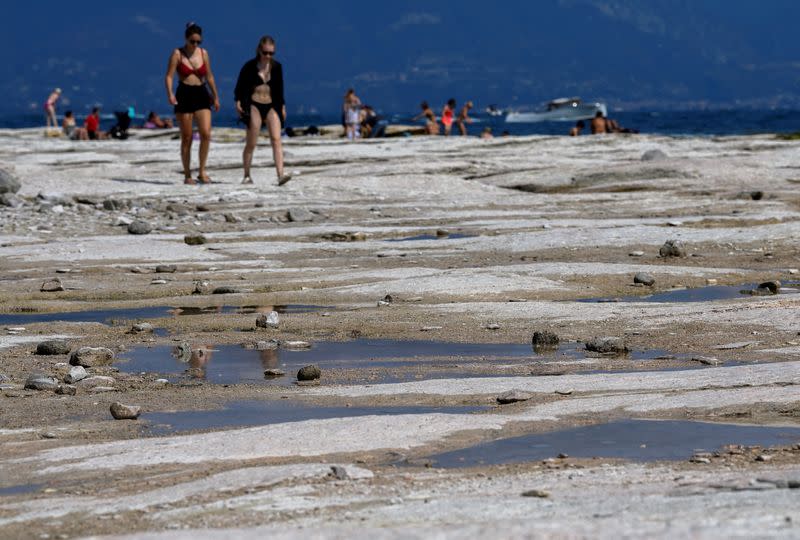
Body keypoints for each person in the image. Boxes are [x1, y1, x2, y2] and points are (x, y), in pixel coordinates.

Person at [165, 22, 221, 184]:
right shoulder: (177, 54)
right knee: (187, 137)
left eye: (198, 42)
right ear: (186, 38)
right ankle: (187, 174)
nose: (195, 44)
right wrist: (170, 94)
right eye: (192, 41)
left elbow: (209, 76)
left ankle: (202, 171)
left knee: (206, 134)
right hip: (184, 93)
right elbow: (169, 76)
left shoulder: (204, 54)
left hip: (202, 94)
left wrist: (215, 96)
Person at [235, 35, 291, 186]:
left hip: (272, 105)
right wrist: (238, 102)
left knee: (276, 139)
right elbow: (240, 86)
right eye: (265, 52)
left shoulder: (277, 67)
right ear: (259, 50)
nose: (268, 56)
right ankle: (247, 175)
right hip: (254, 104)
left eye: (271, 53)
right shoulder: (249, 66)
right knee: (251, 142)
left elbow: (280, 89)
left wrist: (283, 106)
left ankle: (280, 175)